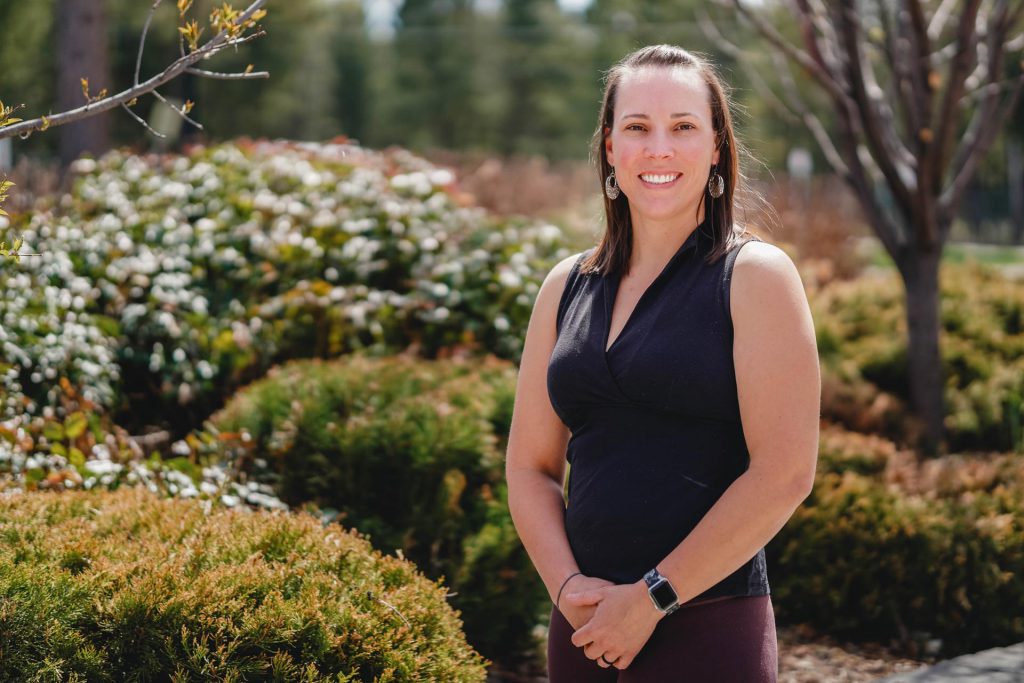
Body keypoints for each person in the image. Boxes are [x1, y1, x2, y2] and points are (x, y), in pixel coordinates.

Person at [504, 44, 821, 682]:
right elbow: (530, 467)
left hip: (708, 625)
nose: (659, 149)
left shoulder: (755, 276)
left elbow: (784, 474)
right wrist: (567, 589)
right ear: (610, 150)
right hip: (584, 630)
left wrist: (652, 597)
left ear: (716, 151)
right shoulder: (564, 286)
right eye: (637, 128)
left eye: (683, 127)